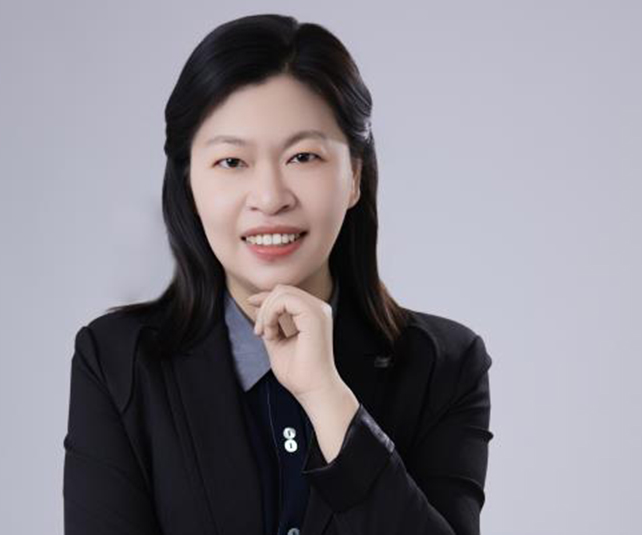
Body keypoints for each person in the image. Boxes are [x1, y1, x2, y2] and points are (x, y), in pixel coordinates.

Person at [62, 13, 494, 535]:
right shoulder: (117, 363)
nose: (269, 198)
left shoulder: (444, 365)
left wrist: (328, 399)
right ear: (189, 184)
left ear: (354, 176)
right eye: (231, 162)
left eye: (303, 156)